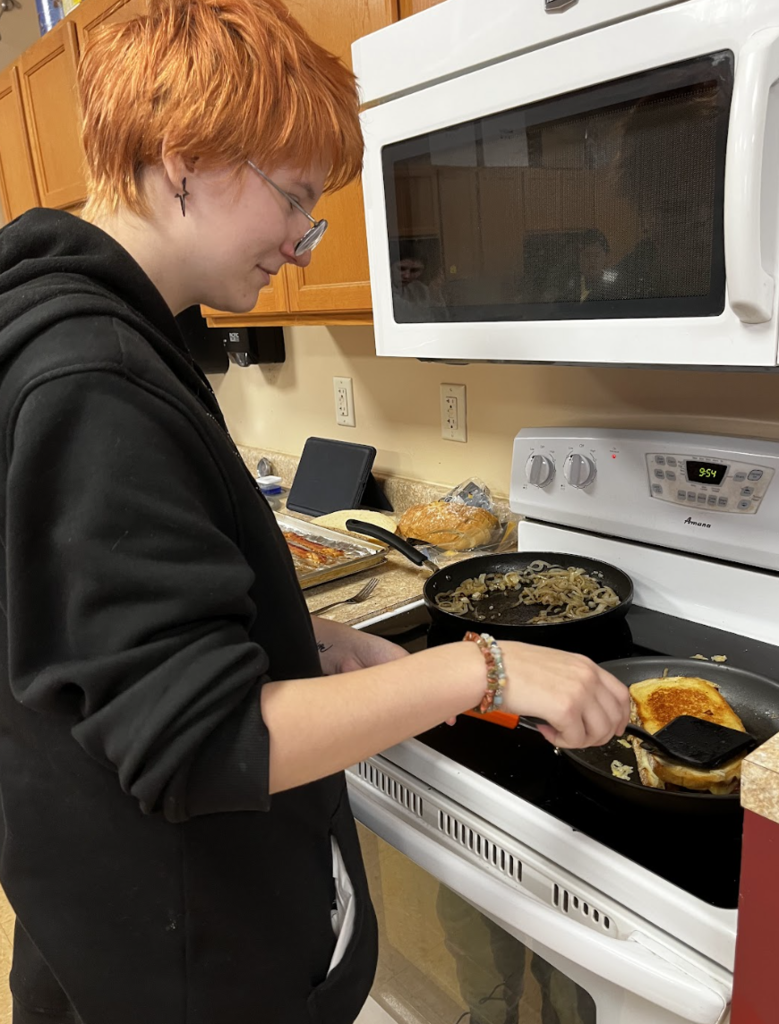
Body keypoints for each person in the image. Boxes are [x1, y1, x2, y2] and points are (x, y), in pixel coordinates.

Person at [0, 1, 630, 1021]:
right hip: (180, 956)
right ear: (182, 158)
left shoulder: (75, 324)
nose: (303, 241)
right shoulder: (93, 381)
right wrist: (484, 665)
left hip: (106, 910)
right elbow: (204, 740)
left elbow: (87, 628)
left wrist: (299, 634)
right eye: (294, 197)